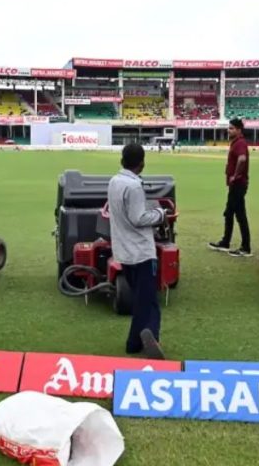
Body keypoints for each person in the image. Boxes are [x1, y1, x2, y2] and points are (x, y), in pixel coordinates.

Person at [108, 143, 167, 360]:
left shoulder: (114, 181)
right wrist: (160, 214)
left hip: (123, 250)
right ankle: (134, 343)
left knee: (148, 301)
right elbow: (138, 218)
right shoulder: (133, 187)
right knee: (145, 302)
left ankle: (153, 337)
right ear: (141, 163)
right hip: (141, 252)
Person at [208, 118, 251, 257]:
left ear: (239, 130)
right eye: (229, 128)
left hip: (238, 184)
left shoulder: (239, 143)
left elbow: (242, 159)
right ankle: (232, 243)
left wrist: (235, 175)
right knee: (236, 214)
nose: (229, 130)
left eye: (232, 128)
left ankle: (238, 246)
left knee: (233, 214)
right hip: (236, 185)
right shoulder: (237, 143)